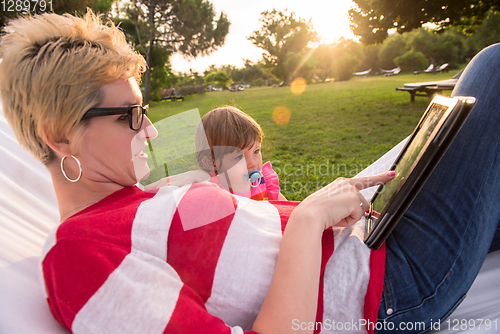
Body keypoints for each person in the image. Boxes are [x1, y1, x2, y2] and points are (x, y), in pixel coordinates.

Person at [0, 10, 498, 334]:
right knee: (491, 69)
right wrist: (306, 221)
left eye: (143, 109)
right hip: (390, 290)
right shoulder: (78, 254)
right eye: (130, 115)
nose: (150, 131)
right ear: (60, 135)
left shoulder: (131, 198)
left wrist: (312, 211)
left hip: (375, 243)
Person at [194, 106, 286, 201]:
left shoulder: (264, 184)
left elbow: (288, 210)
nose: (253, 163)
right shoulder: (214, 194)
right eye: (239, 157)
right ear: (212, 163)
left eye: (256, 151)